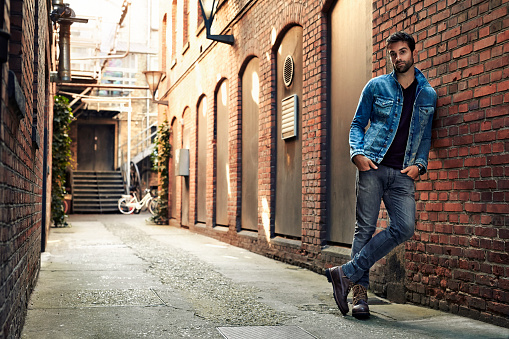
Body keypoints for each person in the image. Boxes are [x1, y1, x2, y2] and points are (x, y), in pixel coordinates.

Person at [325, 31, 437, 319]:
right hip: (373, 167)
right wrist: (357, 155)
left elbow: (425, 137)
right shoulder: (376, 87)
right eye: (392, 54)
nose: (397, 58)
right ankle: (360, 298)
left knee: (405, 226)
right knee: (364, 229)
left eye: (402, 52)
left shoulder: (428, 95)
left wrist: (420, 165)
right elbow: (357, 125)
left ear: (413, 52)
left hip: (403, 174)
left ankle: (345, 274)